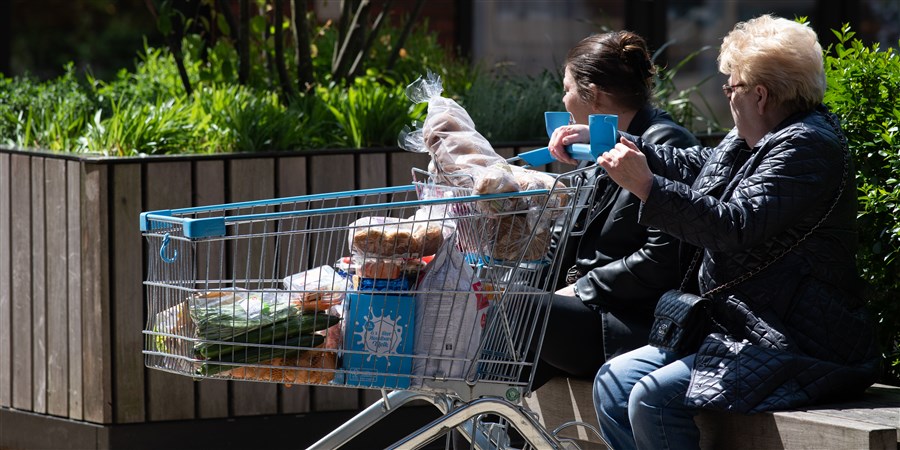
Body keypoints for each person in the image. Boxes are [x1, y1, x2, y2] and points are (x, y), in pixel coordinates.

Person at [549, 15, 881, 450]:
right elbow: (695, 164)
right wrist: (614, 146)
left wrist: (647, 187)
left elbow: (734, 225)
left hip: (794, 338)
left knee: (651, 398)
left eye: (731, 86)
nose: (726, 95)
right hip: (739, 326)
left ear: (759, 95)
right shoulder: (756, 136)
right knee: (614, 382)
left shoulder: (807, 145)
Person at [531, 30, 700, 389]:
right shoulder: (598, 140)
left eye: (567, 88)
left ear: (594, 95)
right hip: (589, 310)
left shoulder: (666, 145)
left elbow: (664, 259)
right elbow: (569, 238)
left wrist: (581, 289)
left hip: (629, 321)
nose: (563, 100)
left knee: (524, 312)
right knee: (497, 304)